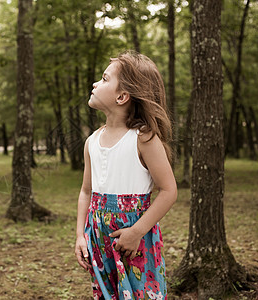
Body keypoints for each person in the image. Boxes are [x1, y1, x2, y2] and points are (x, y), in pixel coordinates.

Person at [75, 50, 177, 300]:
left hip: (134, 239)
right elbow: (86, 191)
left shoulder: (144, 138)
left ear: (122, 96)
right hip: (98, 239)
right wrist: (80, 235)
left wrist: (136, 232)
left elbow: (169, 190)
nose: (95, 83)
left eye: (105, 79)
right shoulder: (92, 141)